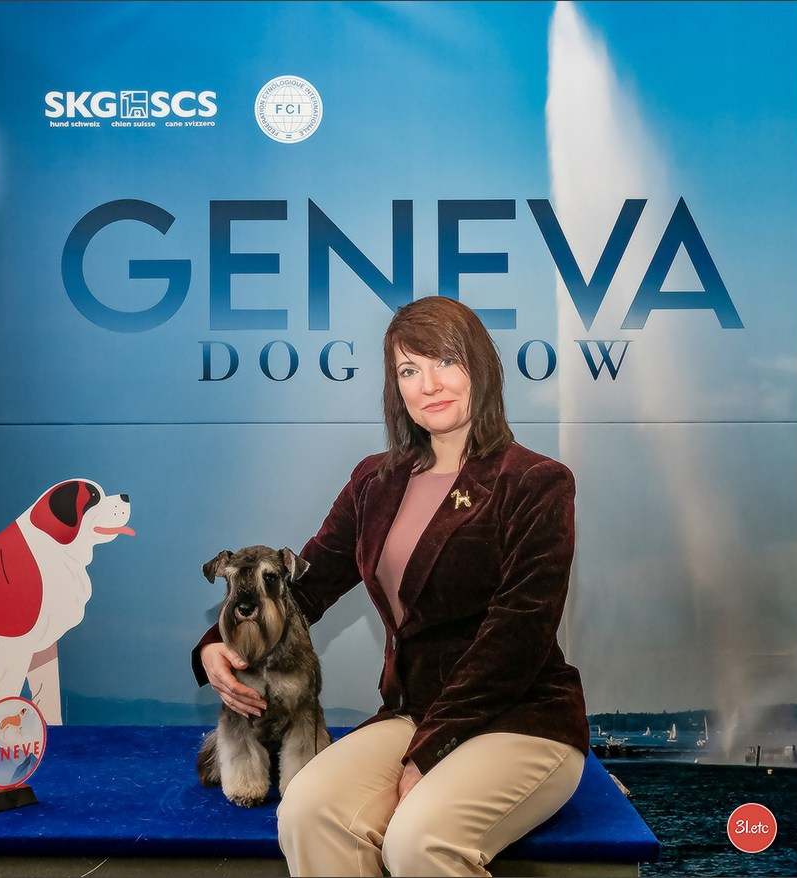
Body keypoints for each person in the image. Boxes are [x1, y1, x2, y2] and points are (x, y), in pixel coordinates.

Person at [192, 296, 589, 877]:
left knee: (419, 843)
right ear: (395, 387)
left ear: (481, 366)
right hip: (411, 712)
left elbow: (517, 636)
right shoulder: (374, 481)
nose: (429, 384)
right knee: (306, 810)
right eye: (409, 370)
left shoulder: (535, 483)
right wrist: (213, 647)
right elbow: (306, 586)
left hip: (520, 717)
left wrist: (432, 749)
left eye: (445, 362)